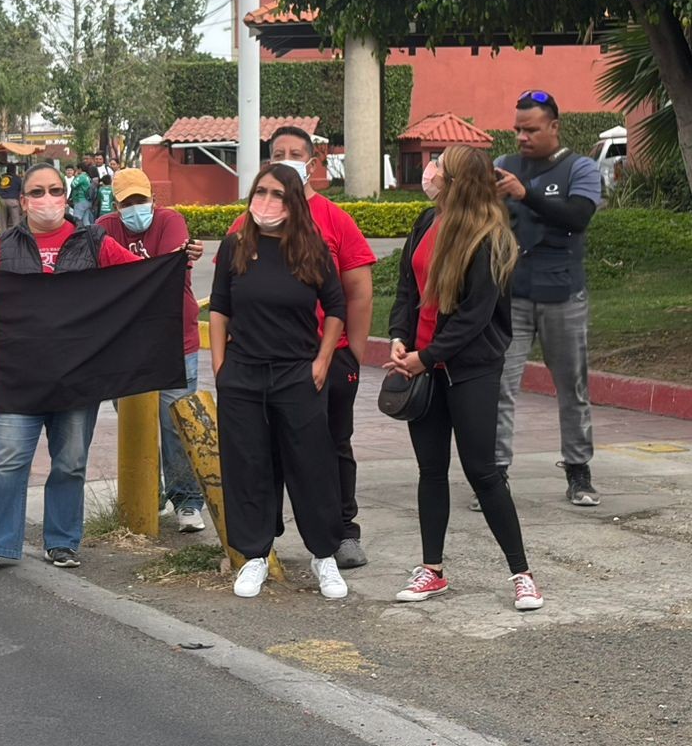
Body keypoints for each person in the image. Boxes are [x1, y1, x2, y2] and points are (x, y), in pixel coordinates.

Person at [0, 163, 143, 576]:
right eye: (38, 192)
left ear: (67, 196)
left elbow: (139, 279)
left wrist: (179, 261)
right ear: (23, 202)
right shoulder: (3, 247)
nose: (48, 199)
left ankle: (62, 542)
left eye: (55, 190)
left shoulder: (95, 242)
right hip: (19, 377)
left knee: (71, 462)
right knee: (6, 460)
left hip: (78, 378)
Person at [386, 146, 544, 612]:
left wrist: (427, 356)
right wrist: (399, 336)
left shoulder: (490, 236)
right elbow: (406, 290)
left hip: (470, 369)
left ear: (456, 182)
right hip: (423, 366)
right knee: (431, 470)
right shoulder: (425, 222)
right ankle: (431, 570)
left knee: (483, 472)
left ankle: (522, 574)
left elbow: (476, 315)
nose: (429, 171)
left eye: (438, 166)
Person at [228, 125, 376, 569]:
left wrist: (352, 355)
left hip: (326, 359)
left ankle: (342, 532)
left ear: (312, 163)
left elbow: (359, 292)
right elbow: (229, 292)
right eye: (278, 153)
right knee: (265, 448)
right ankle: (262, 539)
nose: (287, 158)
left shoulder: (335, 219)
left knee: (333, 445)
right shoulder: (248, 222)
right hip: (264, 362)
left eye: (296, 153)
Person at [211, 164, 349, 600]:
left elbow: (336, 306)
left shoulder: (311, 250)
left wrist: (323, 359)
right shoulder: (235, 245)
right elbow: (218, 309)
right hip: (243, 374)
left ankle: (324, 555)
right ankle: (254, 556)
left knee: (311, 465)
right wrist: (220, 367)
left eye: (276, 195)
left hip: (297, 373)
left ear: (292, 204)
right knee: (247, 464)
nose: (265, 202)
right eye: (260, 192)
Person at [494, 90, 602, 506]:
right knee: (500, 386)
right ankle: (495, 474)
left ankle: (578, 471)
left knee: (571, 387)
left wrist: (525, 195)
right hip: (513, 295)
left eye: (531, 129)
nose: (522, 137)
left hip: (563, 294)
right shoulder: (502, 167)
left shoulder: (581, 168)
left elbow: (577, 217)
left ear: (554, 127)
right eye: (517, 129)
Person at [95, 168, 207, 532]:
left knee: (176, 425)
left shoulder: (171, 221)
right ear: (117, 204)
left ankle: (187, 501)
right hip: (126, 344)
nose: (136, 207)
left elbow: (162, 273)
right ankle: (148, 494)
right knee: (136, 423)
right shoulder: (104, 228)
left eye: (141, 200)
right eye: (128, 202)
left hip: (175, 338)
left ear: (152, 199)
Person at [0, 160, 23, 232]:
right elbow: (22, 190)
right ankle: (16, 237)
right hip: (13, 201)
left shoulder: (2, 178)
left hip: (1, 201)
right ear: (14, 170)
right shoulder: (17, 178)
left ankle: (3, 238)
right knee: (16, 223)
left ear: (7, 169)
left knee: (3, 224)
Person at [67, 162, 96, 228]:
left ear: (80, 169)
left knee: (76, 220)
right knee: (86, 221)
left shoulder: (81, 177)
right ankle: (89, 235)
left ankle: (77, 236)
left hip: (80, 201)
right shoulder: (87, 177)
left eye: (77, 169)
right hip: (87, 201)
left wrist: (76, 176)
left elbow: (73, 185)